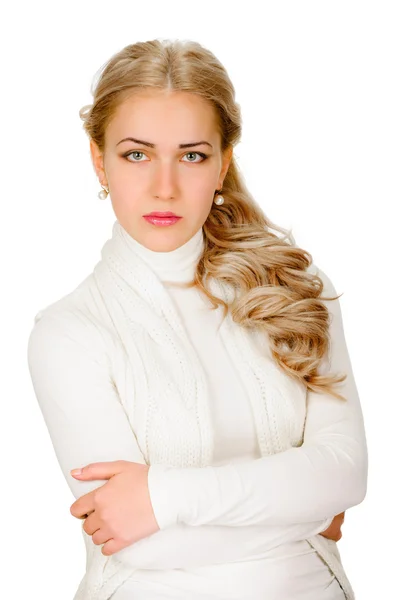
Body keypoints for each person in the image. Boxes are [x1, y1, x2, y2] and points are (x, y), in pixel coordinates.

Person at [27, 39, 368, 600]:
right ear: (99, 160)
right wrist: (307, 514)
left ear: (223, 163)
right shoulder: (68, 334)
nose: (165, 185)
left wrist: (162, 500)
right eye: (136, 154)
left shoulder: (295, 291)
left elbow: (346, 473)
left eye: (192, 155)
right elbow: (139, 545)